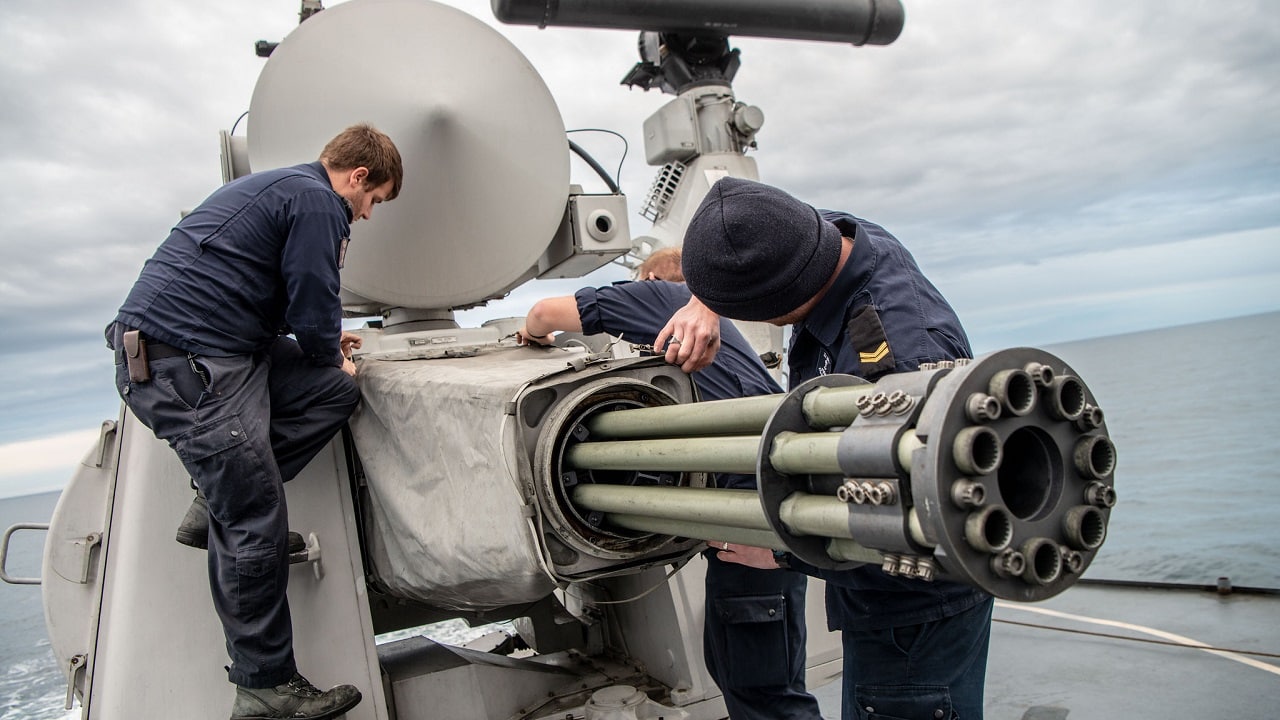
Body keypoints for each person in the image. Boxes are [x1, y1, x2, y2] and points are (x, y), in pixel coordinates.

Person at [659, 177, 993, 720]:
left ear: (779, 298)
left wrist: (784, 552)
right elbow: (756, 225)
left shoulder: (896, 362)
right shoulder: (837, 239)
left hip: (912, 612)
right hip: (877, 597)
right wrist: (704, 302)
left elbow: (922, 525)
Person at [105, 124, 403, 720]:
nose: (367, 214)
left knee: (330, 392)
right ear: (358, 177)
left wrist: (323, 356)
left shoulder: (283, 188)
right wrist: (326, 346)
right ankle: (263, 685)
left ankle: (209, 503)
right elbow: (314, 293)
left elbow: (269, 295)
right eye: (374, 200)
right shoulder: (320, 199)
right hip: (185, 368)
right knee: (254, 521)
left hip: (213, 353)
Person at [516, 248, 823, 720]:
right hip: (753, 526)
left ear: (652, 279)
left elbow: (542, 313)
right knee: (736, 677)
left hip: (750, 533)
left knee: (768, 698)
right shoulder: (724, 328)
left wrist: (532, 334)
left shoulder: (662, 297)